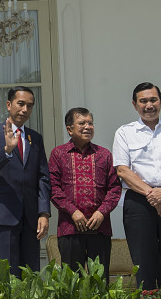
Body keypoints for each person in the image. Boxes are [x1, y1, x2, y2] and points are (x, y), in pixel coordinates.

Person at [112, 82, 161, 290]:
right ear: (134, 104)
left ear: (160, 101)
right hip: (139, 202)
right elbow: (122, 170)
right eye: (143, 101)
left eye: (153, 100)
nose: (149, 105)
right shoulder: (124, 132)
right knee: (143, 262)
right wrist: (153, 195)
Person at [0, 86, 51, 275]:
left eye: (30, 105)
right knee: (4, 276)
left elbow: (43, 176)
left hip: (30, 218)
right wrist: (6, 151)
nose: (25, 110)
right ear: (8, 105)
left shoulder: (35, 138)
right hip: (3, 215)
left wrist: (44, 212)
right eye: (20, 104)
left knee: (30, 275)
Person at [49, 107, 122, 271]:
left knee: (100, 282)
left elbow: (115, 188)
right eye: (82, 123)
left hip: (99, 228)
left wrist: (101, 212)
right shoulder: (58, 154)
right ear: (69, 129)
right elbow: (53, 188)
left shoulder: (104, 155)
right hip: (69, 228)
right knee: (72, 282)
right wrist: (73, 211)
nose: (88, 127)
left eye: (90, 123)